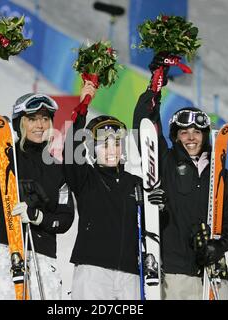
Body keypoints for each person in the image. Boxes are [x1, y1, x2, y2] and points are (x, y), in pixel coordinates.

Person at [133, 53, 228, 300]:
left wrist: (219, 245)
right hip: (176, 276)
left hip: (214, 275)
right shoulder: (164, 163)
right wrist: (155, 84)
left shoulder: (222, 178)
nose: (191, 137)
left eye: (197, 132)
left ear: (205, 136)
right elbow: (144, 126)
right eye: (184, 132)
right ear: (175, 137)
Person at [0, 49, 74, 300]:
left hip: (43, 258)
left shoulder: (59, 170)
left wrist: (38, 217)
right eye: (32, 119)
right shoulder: (2, 154)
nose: (40, 125)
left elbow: (65, 219)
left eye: (45, 119)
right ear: (20, 123)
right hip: (5, 252)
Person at [62, 81, 159, 300]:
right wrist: (82, 109)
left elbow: (152, 225)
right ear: (92, 149)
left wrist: (158, 206)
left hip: (130, 274)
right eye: (104, 145)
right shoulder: (86, 178)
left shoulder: (136, 183)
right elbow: (70, 153)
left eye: (117, 144)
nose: (112, 150)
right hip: (92, 271)